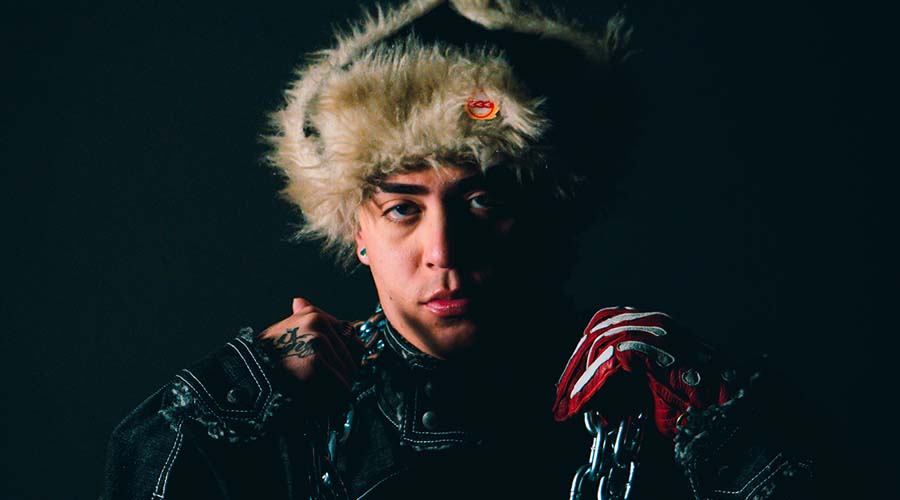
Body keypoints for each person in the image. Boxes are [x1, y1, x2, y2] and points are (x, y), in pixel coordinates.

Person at [102, 1, 816, 499]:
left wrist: (722, 417)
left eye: (483, 202)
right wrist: (238, 385)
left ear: (543, 216)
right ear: (357, 232)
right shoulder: (281, 413)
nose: (442, 250)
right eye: (402, 209)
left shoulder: (645, 396)